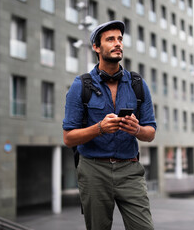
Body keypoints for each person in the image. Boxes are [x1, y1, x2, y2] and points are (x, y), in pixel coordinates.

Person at [62, 20, 156, 230]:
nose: (118, 43)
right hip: (93, 170)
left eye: (120, 39)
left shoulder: (138, 84)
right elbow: (68, 137)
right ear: (96, 47)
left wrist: (137, 129)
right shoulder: (80, 86)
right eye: (110, 39)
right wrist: (100, 128)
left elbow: (150, 133)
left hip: (130, 169)